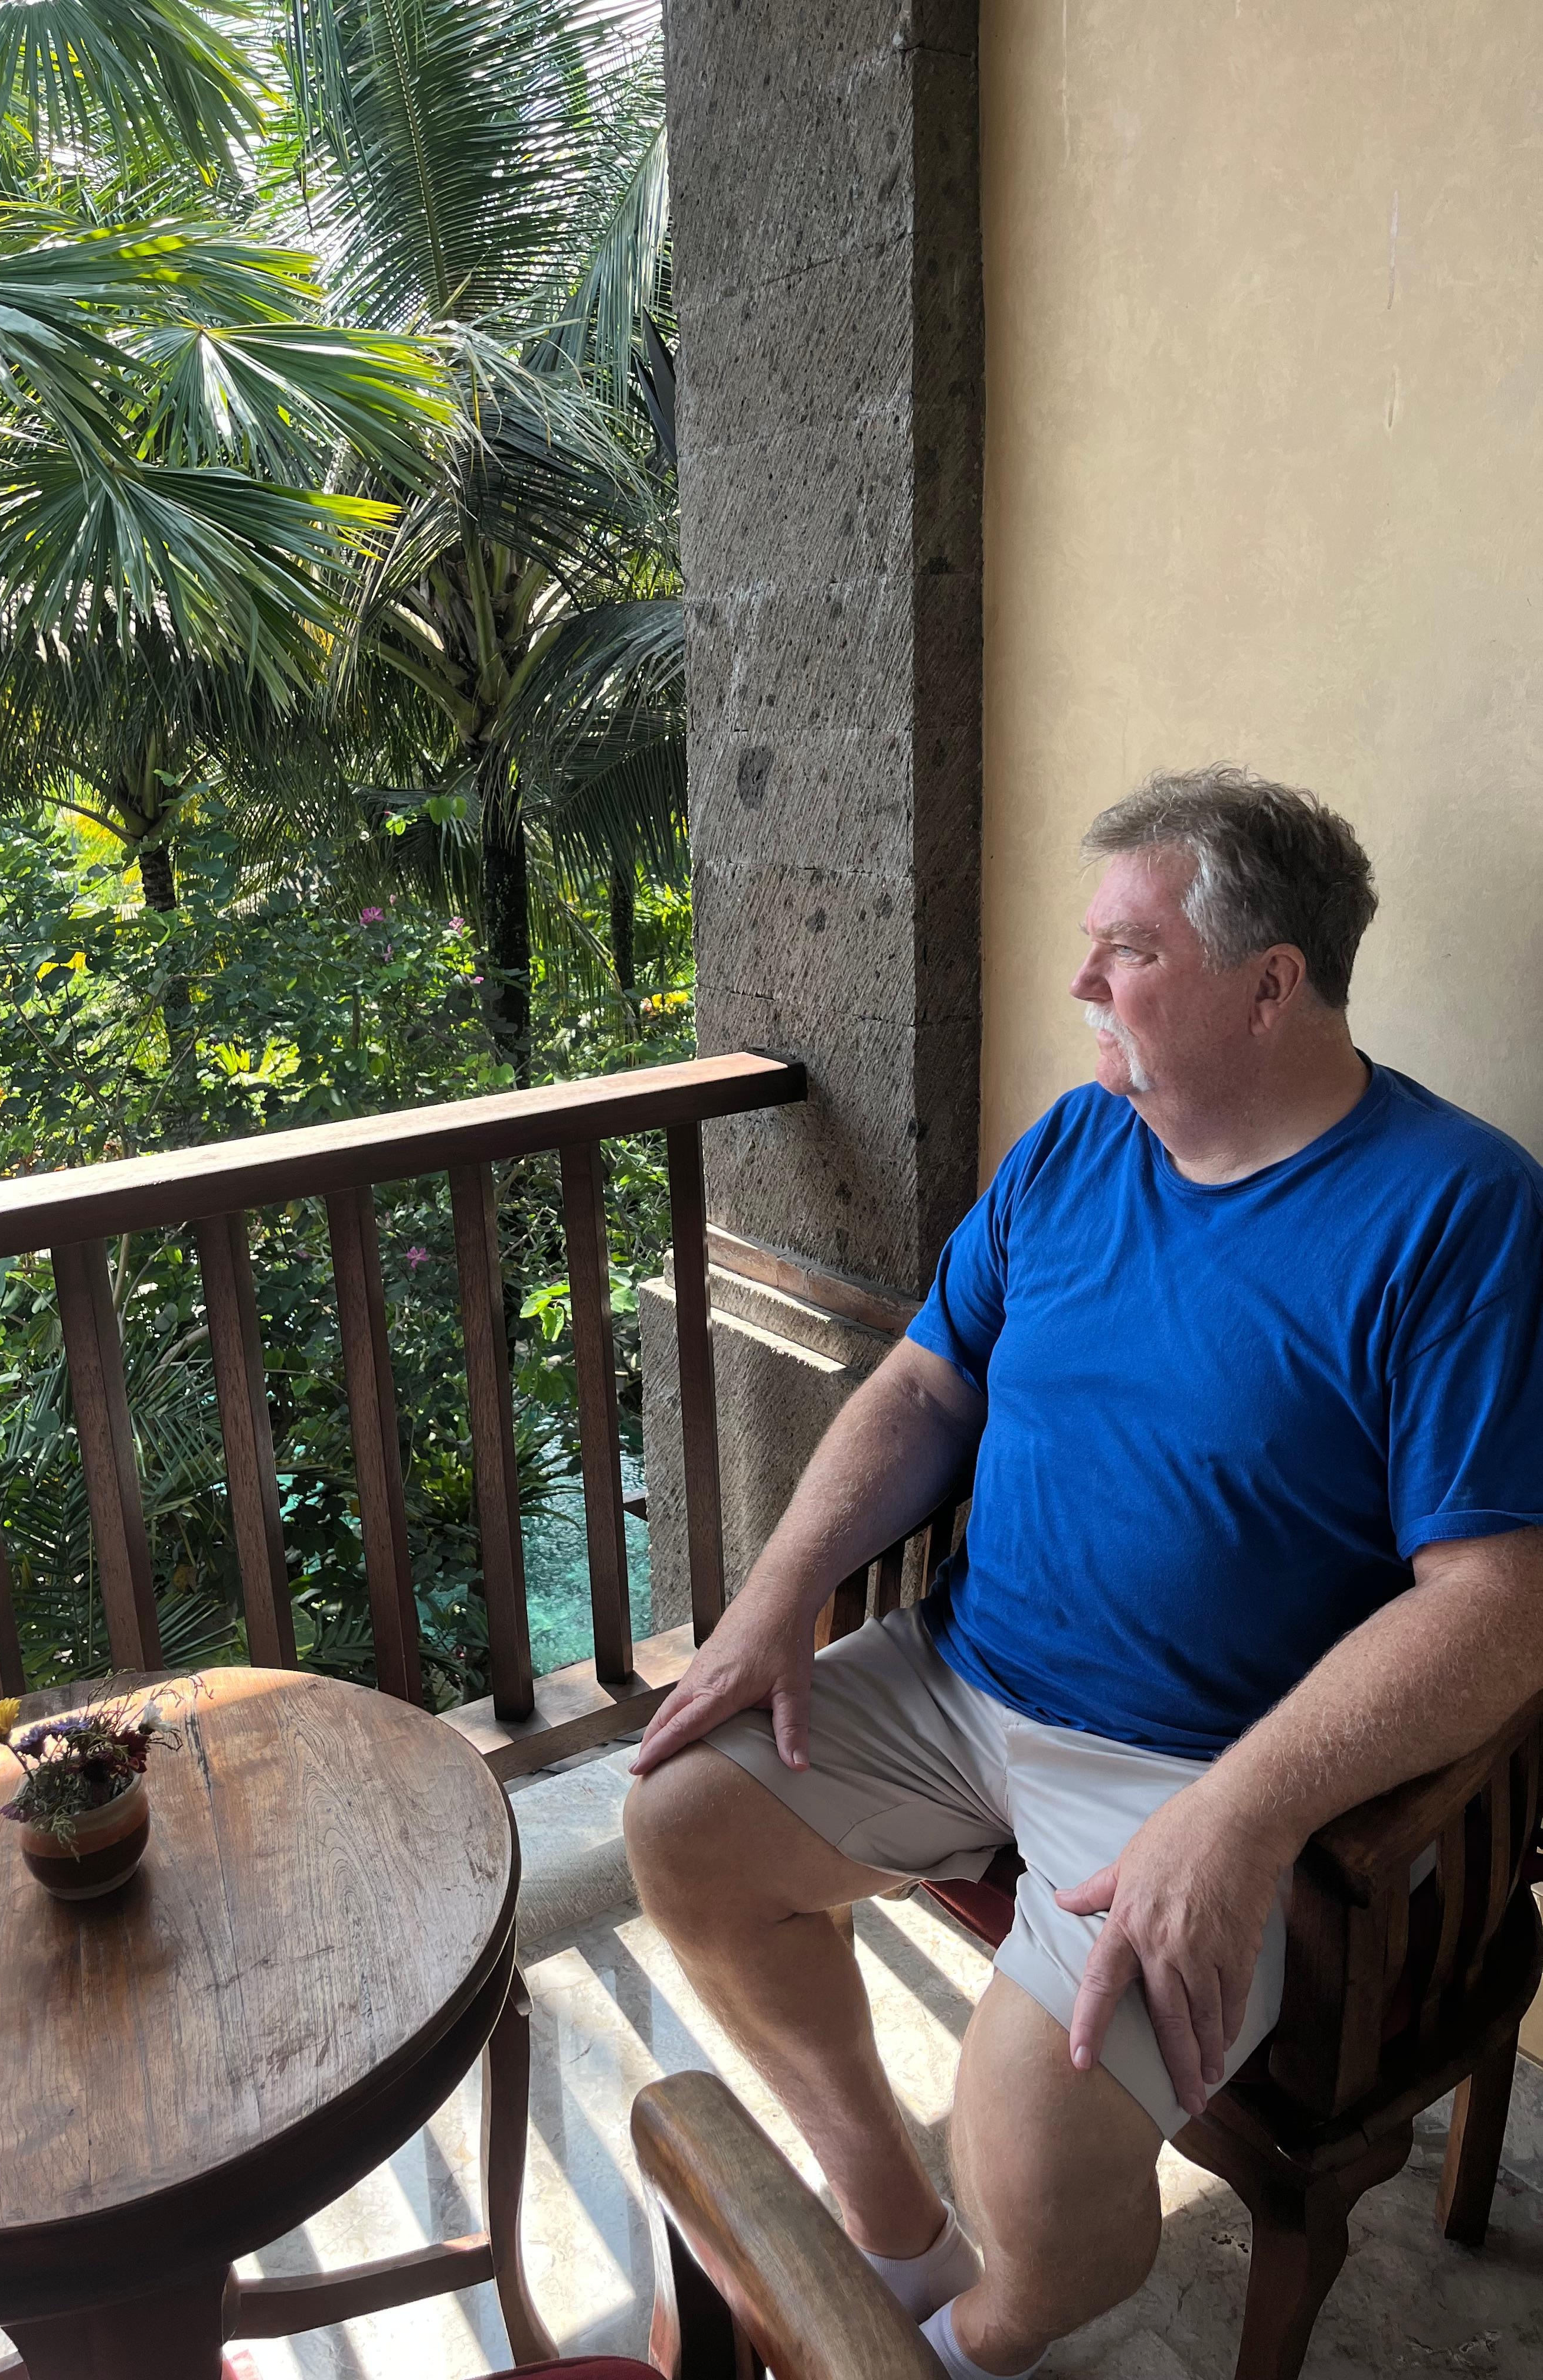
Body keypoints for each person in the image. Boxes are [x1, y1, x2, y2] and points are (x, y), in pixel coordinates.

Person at [623, 767, 1543, 2380]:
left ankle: (969, 2348)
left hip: (1195, 1774)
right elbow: (925, 1385)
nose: (1080, 985)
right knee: (681, 1820)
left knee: (1038, 2175)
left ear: (1271, 987)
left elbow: (1499, 1605)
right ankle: (896, 2241)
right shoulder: (1073, 1148)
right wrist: (775, 1598)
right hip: (961, 1676)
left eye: (1126, 951)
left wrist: (1243, 1815)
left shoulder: (1457, 1215)